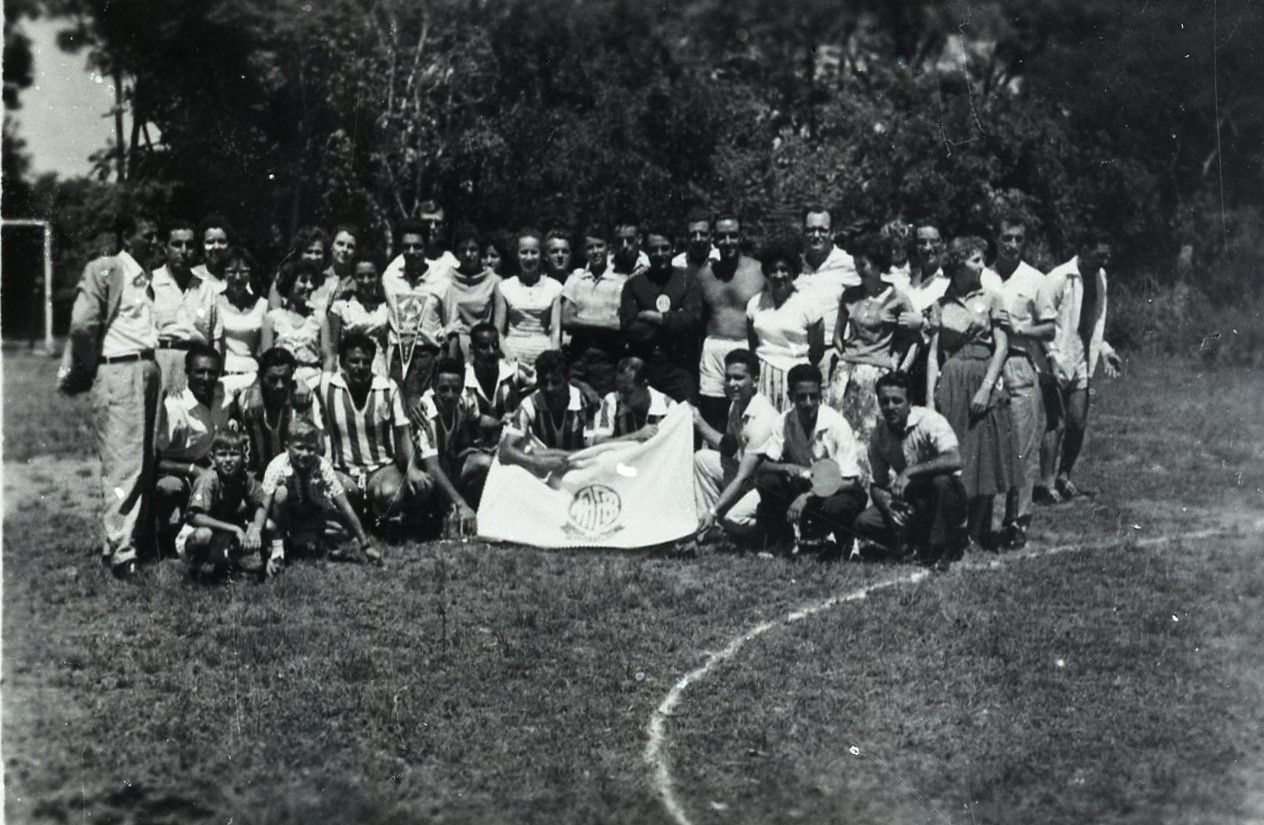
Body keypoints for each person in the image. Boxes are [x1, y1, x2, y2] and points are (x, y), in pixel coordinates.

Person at [59, 212, 162, 578]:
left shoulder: (145, 279)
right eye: (148, 235)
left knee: (142, 459)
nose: (154, 242)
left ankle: (118, 541)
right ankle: (122, 552)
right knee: (124, 462)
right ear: (127, 237)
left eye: (156, 235)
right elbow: (81, 325)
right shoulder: (106, 269)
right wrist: (93, 366)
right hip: (119, 369)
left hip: (146, 369)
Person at [926, 236, 1021, 550]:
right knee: (958, 456)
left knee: (985, 456)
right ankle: (955, 526)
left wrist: (986, 388)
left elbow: (1002, 347)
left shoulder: (992, 297)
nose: (982, 266)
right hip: (953, 381)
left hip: (983, 376)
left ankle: (975, 532)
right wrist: (929, 398)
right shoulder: (940, 304)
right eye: (976, 260)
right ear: (958, 264)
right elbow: (933, 355)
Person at [985, 214, 1056, 547]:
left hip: (1018, 361)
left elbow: (1050, 328)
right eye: (1006, 238)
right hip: (986, 362)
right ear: (995, 239)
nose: (1011, 245)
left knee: (1020, 449)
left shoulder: (1036, 279)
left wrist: (1020, 329)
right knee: (986, 446)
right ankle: (982, 522)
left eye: (1018, 239)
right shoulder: (982, 275)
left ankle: (1017, 521)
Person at [743, 364, 866, 554]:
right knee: (769, 481)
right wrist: (786, 467)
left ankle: (844, 542)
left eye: (813, 396)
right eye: (801, 397)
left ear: (821, 395)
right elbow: (762, 466)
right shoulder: (784, 421)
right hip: (805, 485)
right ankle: (785, 540)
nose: (808, 403)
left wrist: (808, 497)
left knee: (836, 506)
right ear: (790, 396)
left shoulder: (837, 424)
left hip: (837, 491)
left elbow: (850, 481)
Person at [1038, 232, 1123, 502]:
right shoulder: (1057, 278)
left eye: (1107, 256)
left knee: (1077, 422)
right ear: (1084, 249)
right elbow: (1042, 325)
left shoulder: (1100, 278)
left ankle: (1064, 476)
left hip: (1081, 358)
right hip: (1053, 358)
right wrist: (1051, 358)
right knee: (1056, 423)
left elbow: (1092, 324)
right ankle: (1046, 484)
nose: (1104, 261)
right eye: (1100, 255)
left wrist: (1105, 350)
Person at [826, 233, 918, 479]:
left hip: (875, 373)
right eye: (856, 264)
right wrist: (845, 358)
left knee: (868, 435)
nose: (859, 270)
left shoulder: (897, 298)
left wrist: (897, 365)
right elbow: (837, 336)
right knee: (838, 431)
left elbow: (914, 339)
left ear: (878, 265)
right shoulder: (849, 296)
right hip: (846, 373)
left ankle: (868, 488)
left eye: (863, 264)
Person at [853, 371, 967, 569]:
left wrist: (910, 471)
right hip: (912, 499)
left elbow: (954, 458)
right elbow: (877, 484)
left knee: (941, 482)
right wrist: (888, 505)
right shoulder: (879, 435)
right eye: (885, 401)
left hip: (947, 496)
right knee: (865, 521)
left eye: (897, 401)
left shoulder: (929, 420)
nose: (890, 407)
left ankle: (939, 549)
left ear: (910, 402)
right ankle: (913, 544)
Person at [313, 332, 421, 528]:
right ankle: (357, 518)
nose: (360, 367)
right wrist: (301, 386)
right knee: (338, 494)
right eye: (354, 361)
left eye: (366, 361)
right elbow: (300, 387)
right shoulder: (328, 385)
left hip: (380, 468)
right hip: (344, 471)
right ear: (342, 363)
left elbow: (403, 432)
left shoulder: (387, 388)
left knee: (391, 494)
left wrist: (412, 470)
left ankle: (375, 514)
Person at [260, 417, 378, 576]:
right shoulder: (277, 466)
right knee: (279, 497)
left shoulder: (322, 466)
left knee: (343, 533)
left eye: (310, 449)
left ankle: (296, 541)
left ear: (317, 448)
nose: (305, 454)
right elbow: (264, 506)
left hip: (309, 516)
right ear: (287, 446)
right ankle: (279, 549)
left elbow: (345, 506)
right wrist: (255, 534)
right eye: (299, 447)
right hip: (282, 519)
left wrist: (365, 545)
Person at [694, 349, 780, 541]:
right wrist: (699, 422)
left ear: (755, 381)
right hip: (748, 479)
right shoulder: (736, 404)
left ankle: (775, 529)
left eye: (739, 378)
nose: (732, 384)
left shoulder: (763, 418)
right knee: (701, 458)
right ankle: (709, 529)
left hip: (767, 488)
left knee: (729, 518)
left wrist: (715, 511)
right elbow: (729, 447)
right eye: (728, 378)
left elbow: (743, 476)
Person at [693, 211, 766, 432]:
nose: (727, 242)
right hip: (713, 349)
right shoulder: (705, 274)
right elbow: (699, 319)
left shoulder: (759, 271)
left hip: (745, 347)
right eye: (721, 236)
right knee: (712, 417)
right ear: (714, 239)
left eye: (732, 235)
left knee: (747, 418)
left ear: (741, 236)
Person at [154, 345, 231, 547]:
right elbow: (154, 459)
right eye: (200, 371)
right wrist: (191, 469)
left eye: (212, 372)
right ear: (187, 372)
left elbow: (253, 378)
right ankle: (160, 533)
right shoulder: (175, 406)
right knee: (168, 488)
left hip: (208, 465)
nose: (206, 378)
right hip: (174, 469)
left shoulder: (224, 391)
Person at [619, 225, 702, 402]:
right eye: (653, 249)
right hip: (645, 368)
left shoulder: (688, 280)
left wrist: (657, 318)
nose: (659, 254)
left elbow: (692, 320)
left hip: (680, 368)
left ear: (674, 248)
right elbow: (628, 325)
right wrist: (674, 322)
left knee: (686, 414)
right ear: (645, 251)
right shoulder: (634, 284)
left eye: (665, 248)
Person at [175, 425, 269, 580]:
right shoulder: (208, 479)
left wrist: (256, 530)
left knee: (268, 525)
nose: (228, 460)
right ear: (212, 457)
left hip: (224, 532)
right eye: (222, 454)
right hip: (195, 534)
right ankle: (193, 566)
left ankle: (248, 562)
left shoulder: (243, 477)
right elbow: (196, 517)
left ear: (243, 456)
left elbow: (261, 505)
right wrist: (235, 528)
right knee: (204, 535)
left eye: (234, 454)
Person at [381, 217, 456, 408]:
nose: (411, 252)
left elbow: (452, 328)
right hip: (398, 357)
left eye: (417, 246)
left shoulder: (442, 282)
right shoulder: (390, 278)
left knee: (425, 412)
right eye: (406, 247)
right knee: (398, 412)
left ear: (426, 247)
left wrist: (450, 368)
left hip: (429, 356)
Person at [410, 357, 491, 534]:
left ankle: (469, 511)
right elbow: (432, 468)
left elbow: (478, 420)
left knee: (485, 462)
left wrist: (504, 422)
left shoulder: (463, 401)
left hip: (446, 466)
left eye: (455, 389)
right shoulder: (426, 413)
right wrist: (460, 504)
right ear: (433, 387)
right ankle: (432, 514)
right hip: (423, 475)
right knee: (426, 483)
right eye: (444, 389)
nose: (450, 395)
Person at [746, 241, 824, 412]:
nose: (778, 275)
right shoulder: (755, 303)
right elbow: (753, 344)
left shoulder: (808, 303)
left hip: (796, 376)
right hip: (762, 377)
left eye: (784, 269)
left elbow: (817, 349)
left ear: (793, 271)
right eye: (773, 270)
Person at [152, 219, 225, 392]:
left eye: (190, 245)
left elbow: (216, 339)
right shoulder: (152, 282)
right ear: (165, 248)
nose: (184, 251)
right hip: (162, 361)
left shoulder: (206, 288)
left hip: (198, 367)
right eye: (177, 245)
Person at [499, 350, 595, 477]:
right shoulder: (530, 404)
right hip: (542, 472)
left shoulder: (584, 403)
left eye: (555, 382)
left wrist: (544, 454)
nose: (549, 389)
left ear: (567, 379)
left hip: (577, 469)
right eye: (544, 383)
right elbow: (505, 451)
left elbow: (592, 451)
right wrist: (540, 461)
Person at [561, 224, 628, 396]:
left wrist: (580, 325)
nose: (595, 251)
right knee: (575, 400)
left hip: (607, 357)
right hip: (578, 354)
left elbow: (619, 324)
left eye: (600, 246)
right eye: (590, 247)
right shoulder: (576, 278)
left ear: (609, 249)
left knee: (604, 402)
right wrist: (604, 325)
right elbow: (566, 319)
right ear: (584, 251)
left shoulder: (621, 280)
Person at [231, 347, 316, 477]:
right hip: (257, 475)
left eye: (285, 378)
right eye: (273, 379)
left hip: (296, 474)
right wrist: (256, 387)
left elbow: (317, 445)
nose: (280, 385)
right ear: (261, 377)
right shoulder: (246, 399)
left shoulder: (302, 398)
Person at [797, 206, 860, 371]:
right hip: (797, 351)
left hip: (832, 353)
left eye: (822, 230)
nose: (816, 235)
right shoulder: (795, 266)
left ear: (833, 233)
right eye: (810, 230)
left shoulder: (849, 264)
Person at [897, 222, 951, 405]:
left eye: (934, 241)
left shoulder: (950, 282)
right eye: (922, 242)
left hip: (935, 363)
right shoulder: (907, 280)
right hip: (905, 362)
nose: (928, 248)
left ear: (944, 243)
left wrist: (923, 323)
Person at [494, 228, 564, 366]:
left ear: (542, 255)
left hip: (543, 355)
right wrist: (508, 356)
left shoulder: (555, 287)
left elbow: (556, 332)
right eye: (524, 252)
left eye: (534, 252)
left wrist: (552, 360)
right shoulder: (505, 287)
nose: (529, 258)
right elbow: (498, 332)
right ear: (517, 254)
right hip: (512, 355)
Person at [262, 259, 330, 390]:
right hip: (282, 381)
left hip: (314, 381)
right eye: (303, 281)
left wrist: (324, 385)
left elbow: (328, 358)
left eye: (312, 282)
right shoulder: (272, 318)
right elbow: (266, 358)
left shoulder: (319, 317)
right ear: (289, 283)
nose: (309, 286)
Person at [463, 322, 534, 447]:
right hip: (477, 446)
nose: (491, 352)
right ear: (472, 348)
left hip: (513, 443)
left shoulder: (512, 369)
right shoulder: (463, 379)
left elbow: (543, 382)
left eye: (495, 346)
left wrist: (520, 410)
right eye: (484, 347)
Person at [326, 249, 390, 377]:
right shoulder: (341, 306)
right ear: (354, 277)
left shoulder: (386, 307)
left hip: (379, 366)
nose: (366, 281)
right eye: (360, 276)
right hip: (349, 367)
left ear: (378, 276)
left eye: (371, 276)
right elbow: (332, 349)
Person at [217, 245, 270, 396]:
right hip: (222, 375)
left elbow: (265, 350)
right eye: (232, 272)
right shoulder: (212, 302)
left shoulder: (263, 305)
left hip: (252, 377)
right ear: (223, 272)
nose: (238, 278)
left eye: (244, 271)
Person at [591, 356, 677, 444]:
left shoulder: (669, 407)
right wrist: (635, 436)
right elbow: (599, 443)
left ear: (644, 384)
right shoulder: (612, 400)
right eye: (620, 390)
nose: (622, 397)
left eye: (628, 392)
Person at [447, 223, 501, 360]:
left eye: (473, 249)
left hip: (484, 346)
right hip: (455, 346)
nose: (468, 254)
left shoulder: (493, 280)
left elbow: (498, 325)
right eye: (462, 250)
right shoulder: (447, 279)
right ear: (456, 253)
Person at [381, 200, 461, 283]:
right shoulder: (399, 265)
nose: (433, 227)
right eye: (427, 222)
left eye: (438, 223)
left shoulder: (449, 261)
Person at [268, 226, 330, 310]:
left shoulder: (329, 283)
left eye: (318, 252)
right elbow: (274, 311)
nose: (313, 257)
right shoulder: (284, 278)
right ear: (299, 254)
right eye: (309, 252)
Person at [192, 214, 233, 285]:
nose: (216, 247)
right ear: (202, 245)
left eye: (221, 241)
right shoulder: (193, 276)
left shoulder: (236, 277)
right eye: (210, 242)